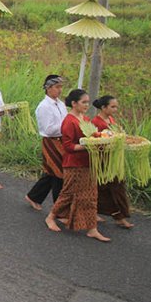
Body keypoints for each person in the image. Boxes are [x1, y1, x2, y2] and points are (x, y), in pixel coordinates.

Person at [45, 89, 110, 242]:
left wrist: (99, 140)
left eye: (88, 102)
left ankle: (92, 228)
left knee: (91, 195)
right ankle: (51, 217)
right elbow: (68, 147)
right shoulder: (69, 121)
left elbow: (92, 137)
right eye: (83, 102)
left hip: (88, 162)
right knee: (68, 193)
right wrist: (89, 144)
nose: (87, 105)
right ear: (74, 103)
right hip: (74, 164)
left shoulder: (85, 119)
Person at [25, 75, 67, 210]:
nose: (60, 90)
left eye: (61, 87)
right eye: (57, 87)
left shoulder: (60, 104)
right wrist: (66, 126)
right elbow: (48, 130)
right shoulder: (44, 107)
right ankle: (59, 208)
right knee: (58, 173)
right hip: (51, 142)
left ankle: (34, 196)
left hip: (62, 141)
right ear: (48, 88)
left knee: (52, 172)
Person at [92, 95, 134, 229]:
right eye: (113, 107)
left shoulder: (110, 119)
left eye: (116, 106)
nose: (115, 109)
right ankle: (119, 216)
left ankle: (104, 213)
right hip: (103, 160)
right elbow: (96, 143)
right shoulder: (96, 123)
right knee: (110, 187)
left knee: (112, 186)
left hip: (113, 159)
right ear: (103, 107)